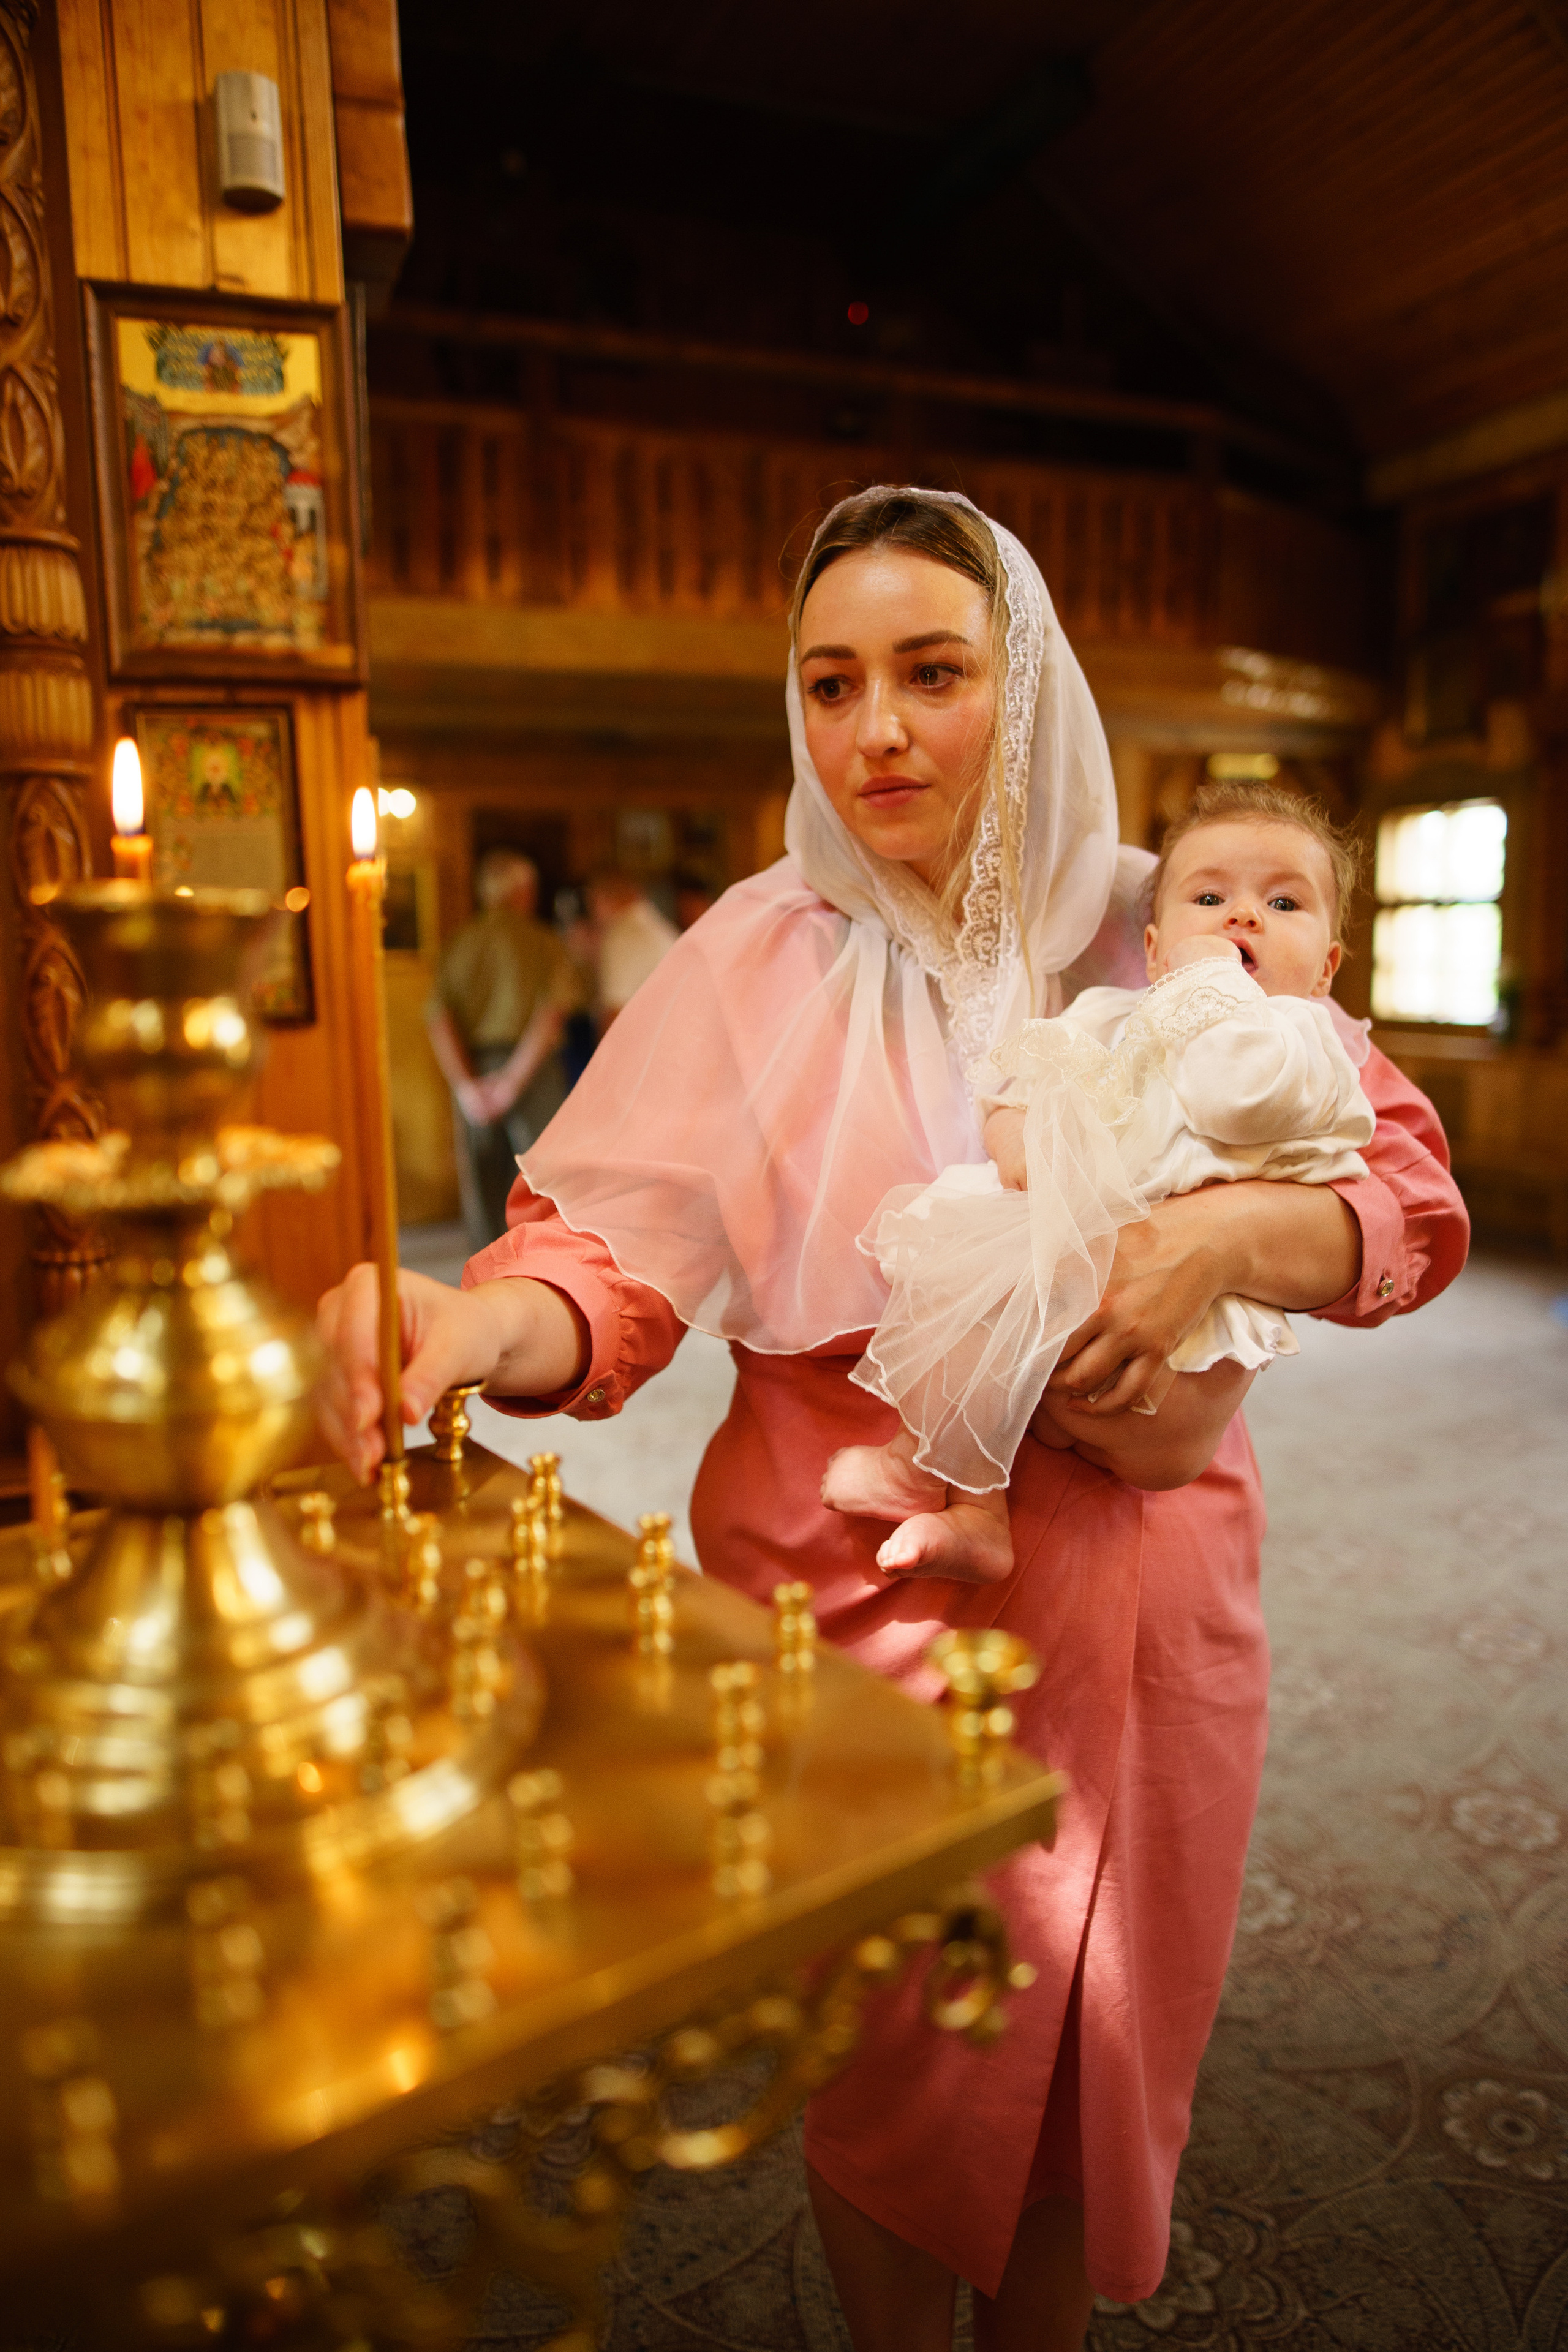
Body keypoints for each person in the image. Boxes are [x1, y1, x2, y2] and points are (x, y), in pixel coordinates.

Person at [318, 488, 1468, 2352]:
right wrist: (473, 1318)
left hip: (1156, 1611)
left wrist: (1238, 1236)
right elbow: (608, 1267)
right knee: (894, 2067)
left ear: (1020, 689)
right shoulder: (748, 959)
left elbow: (1406, 1195)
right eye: (832, 680)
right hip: (866, 1611)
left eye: (932, 673)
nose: (877, 730)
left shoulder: (1164, 923)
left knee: (1096, 2050)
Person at [824, 785, 1378, 1581]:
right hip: (1081, 1237)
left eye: (1283, 901)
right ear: (1153, 950)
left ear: (1325, 968)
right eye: (1211, 897)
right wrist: (1015, 1135)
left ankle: (999, 1467)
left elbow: (1236, 1095)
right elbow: (1025, 1070)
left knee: (1140, 1416)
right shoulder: (1115, 1014)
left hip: (1191, 1319)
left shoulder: (1301, 1041)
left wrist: (1210, 985)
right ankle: (965, 1500)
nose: (1243, 917)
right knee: (963, 1276)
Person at [424, 850, 581, 1250]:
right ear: (524, 891)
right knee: (542, 1178)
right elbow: (551, 1017)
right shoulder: (545, 942)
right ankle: (544, 1268)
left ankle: (487, 1271)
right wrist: (511, 1083)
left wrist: (465, 1086)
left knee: (483, 1185)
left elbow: (440, 1020)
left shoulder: (458, 943)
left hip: (475, 1068)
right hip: (533, 1069)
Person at [586, 867, 678, 1031]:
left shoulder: (621, 935)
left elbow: (614, 1018)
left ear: (602, 898)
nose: (593, 914)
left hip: (646, 1044)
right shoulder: (656, 925)